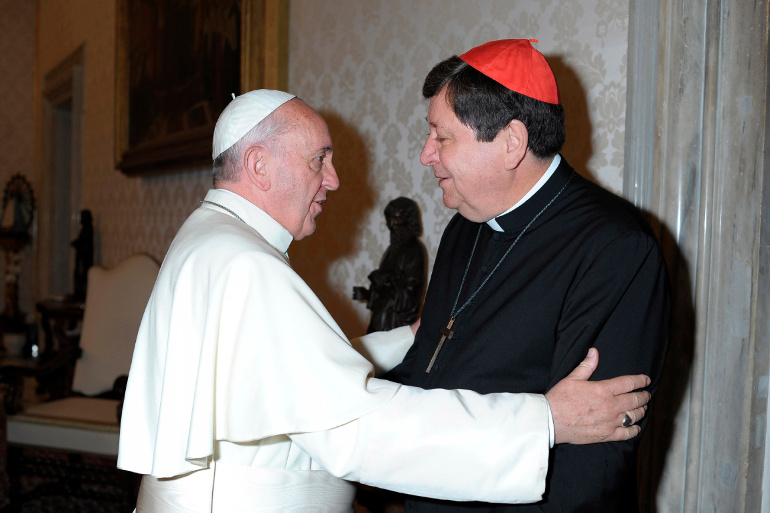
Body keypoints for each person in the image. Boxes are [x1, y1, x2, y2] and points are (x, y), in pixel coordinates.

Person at [117, 89, 652, 513]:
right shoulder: (245, 265)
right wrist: (546, 421)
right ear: (259, 166)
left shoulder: (212, 240)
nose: (333, 179)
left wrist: (405, 339)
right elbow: (358, 428)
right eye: (318, 160)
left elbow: (282, 376)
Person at [385, 40, 671, 512]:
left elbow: (593, 462)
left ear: (512, 142)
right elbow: (430, 368)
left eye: (442, 136)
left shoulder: (615, 247)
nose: (425, 154)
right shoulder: (465, 225)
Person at [353, 197, 426, 333]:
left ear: (409, 220)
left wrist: (389, 280)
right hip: (381, 319)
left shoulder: (414, 250)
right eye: (389, 219)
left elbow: (411, 297)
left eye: (397, 219)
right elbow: (383, 294)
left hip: (395, 326)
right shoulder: (392, 250)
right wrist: (368, 294)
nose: (392, 224)